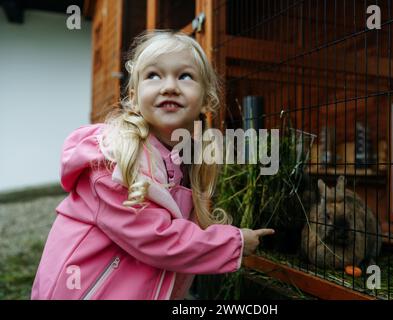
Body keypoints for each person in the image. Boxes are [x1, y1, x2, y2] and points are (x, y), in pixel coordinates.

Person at [31, 30, 274, 300]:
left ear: (206, 99)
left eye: (185, 76)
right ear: (134, 96)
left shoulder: (187, 160)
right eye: (153, 76)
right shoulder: (115, 159)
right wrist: (234, 243)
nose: (169, 86)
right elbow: (156, 239)